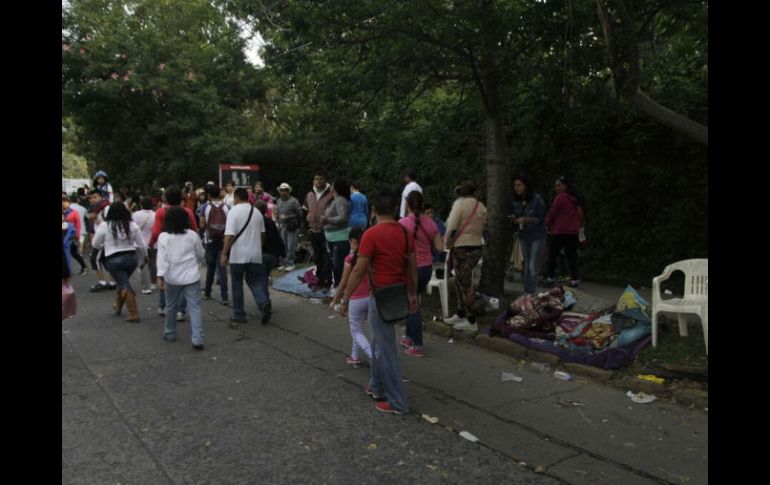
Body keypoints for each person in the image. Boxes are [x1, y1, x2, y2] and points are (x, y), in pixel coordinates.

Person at [338, 188, 417, 415]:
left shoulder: (371, 234)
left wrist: (345, 299)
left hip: (380, 296)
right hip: (398, 293)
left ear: (373, 210)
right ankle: (376, 386)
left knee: (386, 349)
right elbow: (411, 266)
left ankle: (398, 401)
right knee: (378, 343)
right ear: (394, 209)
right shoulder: (404, 233)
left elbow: (358, 270)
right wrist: (413, 294)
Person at [399, 191, 444, 357]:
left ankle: (417, 345)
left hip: (410, 268)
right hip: (426, 268)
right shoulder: (431, 223)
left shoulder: (402, 223)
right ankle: (409, 337)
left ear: (408, 204)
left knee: (412, 305)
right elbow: (440, 247)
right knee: (414, 300)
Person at [157, 206, 206, 350]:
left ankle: (170, 332)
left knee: (171, 305)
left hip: (172, 276)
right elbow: (201, 253)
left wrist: (160, 276)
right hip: (191, 276)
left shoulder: (163, 237)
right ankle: (197, 338)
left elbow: (161, 259)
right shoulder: (192, 235)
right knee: (195, 307)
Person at [221, 187, 271, 325]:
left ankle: (239, 314)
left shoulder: (233, 212)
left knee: (237, 283)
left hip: (238, 255)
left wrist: (224, 254)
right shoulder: (257, 212)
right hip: (255, 254)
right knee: (255, 281)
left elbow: (229, 235)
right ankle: (263, 302)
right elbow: (262, 235)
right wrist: (257, 247)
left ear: (236, 198)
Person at [149, 185, 199, 320]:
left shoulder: (160, 212)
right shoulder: (187, 211)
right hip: (184, 247)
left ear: (166, 198)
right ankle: (180, 310)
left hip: (165, 245)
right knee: (184, 279)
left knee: (164, 275)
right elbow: (194, 228)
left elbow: (155, 231)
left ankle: (163, 305)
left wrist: (151, 243)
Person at [443, 180, 488, 332]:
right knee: (462, 280)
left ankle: (471, 319)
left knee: (463, 283)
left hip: (461, 247)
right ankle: (460, 312)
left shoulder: (459, 205)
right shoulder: (481, 206)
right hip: (476, 247)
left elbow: (451, 226)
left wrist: (447, 242)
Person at [92, 202, 147, 322]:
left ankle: (134, 314)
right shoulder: (132, 225)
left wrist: (105, 244)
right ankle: (118, 307)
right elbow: (142, 245)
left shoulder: (105, 225)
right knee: (122, 281)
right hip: (132, 259)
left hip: (114, 259)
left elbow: (95, 244)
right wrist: (145, 256)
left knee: (124, 284)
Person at [330, 226, 372, 368]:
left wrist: (336, 301)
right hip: (371, 297)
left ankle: (374, 356)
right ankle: (354, 356)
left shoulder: (350, 259)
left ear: (353, 242)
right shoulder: (370, 257)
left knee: (356, 331)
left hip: (355, 299)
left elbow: (343, 284)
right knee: (359, 328)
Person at [511, 175, 547, 295]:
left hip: (537, 235)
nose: (517, 188)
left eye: (520, 185)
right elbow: (516, 215)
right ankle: (527, 291)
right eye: (515, 185)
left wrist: (527, 219)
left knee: (532, 265)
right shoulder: (516, 200)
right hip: (523, 235)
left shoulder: (537, 199)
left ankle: (531, 292)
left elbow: (541, 219)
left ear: (526, 185)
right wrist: (515, 219)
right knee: (525, 265)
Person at [544, 176, 582, 287]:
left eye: (559, 185)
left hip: (559, 231)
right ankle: (575, 278)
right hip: (572, 231)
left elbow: (552, 213)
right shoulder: (574, 199)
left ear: (565, 186)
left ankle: (550, 277)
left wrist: (546, 224)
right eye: (556, 185)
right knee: (571, 256)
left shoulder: (560, 198)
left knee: (552, 255)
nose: (556, 187)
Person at [200, 185, 230, 304]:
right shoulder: (227, 207)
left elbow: (202, 225)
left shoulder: (204, 207)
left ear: (209, 195)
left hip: (210, 241)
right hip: (223, 241)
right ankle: (225, 296)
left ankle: (207, 292)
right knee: (222, 268)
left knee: (210, 267)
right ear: (220, 194)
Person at [321, 176, 351, 290]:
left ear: (337, 187)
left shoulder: (341, 200)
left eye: (333, 184)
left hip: (339, 238)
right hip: (332, 238)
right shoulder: (335, 199)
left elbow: (343, 218)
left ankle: (341, 290)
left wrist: (327, 219)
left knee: (339, 266)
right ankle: (338, 288)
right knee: (335, 265)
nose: (331, 186)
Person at [305, 172, 334, 289]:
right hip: (312, 230)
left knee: (326, 257)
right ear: (313, 181)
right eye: (316, 179)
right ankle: (319, 279)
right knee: (317, 257)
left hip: (326, 230)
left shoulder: (331, 194)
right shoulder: (309, 194)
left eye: (321, 179)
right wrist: (305, 227)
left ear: (325, 180)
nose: (318, 181)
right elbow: (304, 210)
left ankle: (327, 280)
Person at [256, 200, 285, 310]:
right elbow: (278, 238)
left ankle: (264, 300)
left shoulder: (255, 223)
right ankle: (265, 299)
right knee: (264, 276)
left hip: (260, 254)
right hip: (272, 255)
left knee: (259, 278)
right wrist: (283, 254)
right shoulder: (270, 222)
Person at [86, 189, 117, 292]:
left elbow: (111, 222)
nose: (93, 199)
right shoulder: (95, 209)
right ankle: (112, 282)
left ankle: (102, 283)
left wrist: (99, 221)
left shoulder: (106, 207)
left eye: (95, 197)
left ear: (101, 197)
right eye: (91, 198)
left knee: (95, 259)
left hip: (104, 239)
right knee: (105, 260)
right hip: (101, 238)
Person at [274, 183, 302, 272]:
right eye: (282, 191)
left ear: (288, 191)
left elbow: (300, 213)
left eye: (285, 191)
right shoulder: (278, 201)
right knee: (283, 245)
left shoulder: (294, 201)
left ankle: (291, 263)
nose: (283, 192)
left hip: (292, 226)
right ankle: (283, 263)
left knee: (291, 245)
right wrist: (276, 215)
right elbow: (277, 212)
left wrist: (289, 217)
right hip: (282, 225)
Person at [133, 196, 157, 295]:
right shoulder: (155, 215)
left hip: (140, 244)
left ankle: (145, 286)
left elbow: (132, 228)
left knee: (143, 264)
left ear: (141, 204)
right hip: (154, 243)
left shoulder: (135, 215)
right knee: (153, 264)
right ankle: (153, 283)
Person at [63, 195, 87, 275]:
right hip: (63, 235)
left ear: (69, 203)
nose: (63, 204)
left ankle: (83, 267)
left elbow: (78, 224)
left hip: (71, 235)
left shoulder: (73, 212)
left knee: (73, 253)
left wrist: (77, 235)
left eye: (65, 202)